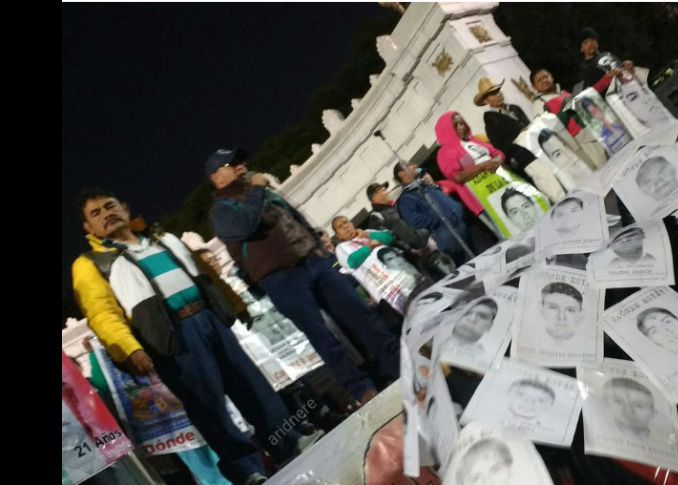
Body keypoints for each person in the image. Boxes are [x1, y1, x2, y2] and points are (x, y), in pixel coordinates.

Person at [71, 189, 322, 485]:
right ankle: (246, 471)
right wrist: (129, 348)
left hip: (207, 318)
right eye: (96, 214)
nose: (106, 214)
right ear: (89, 229)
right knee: (208, 408)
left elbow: (204, 274)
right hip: (171, 340)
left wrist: (233, 304)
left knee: (252, 385)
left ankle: (288, 442)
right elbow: (102, 313)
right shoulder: (90, 264)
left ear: (125, 208)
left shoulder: (164, 239)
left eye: (110, 206)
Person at [206, 148, 400, 407]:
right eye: (232, 163)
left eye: (241, 160)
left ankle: (398, 361)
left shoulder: (262, 192)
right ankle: (361, 389)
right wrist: (255, 191)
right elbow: (244, 226)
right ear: (217, 177)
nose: (241, 165)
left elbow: (294, 218)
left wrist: (317, 248)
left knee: (361, 314)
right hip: (279, 279)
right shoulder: (221, 211)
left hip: (312, 261)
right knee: (322, 337)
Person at [394, 161, 474, 266]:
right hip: (446, 235)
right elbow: (415, 220)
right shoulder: (405, 199)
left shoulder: (424, 186)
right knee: (467, 265)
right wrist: (440, 219)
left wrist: (434, 186)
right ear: (402, 174)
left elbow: (443, 200)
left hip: (461, 226)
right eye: (409, 165)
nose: (415, 165)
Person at [473, 76, 537, 183]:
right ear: (486, 100)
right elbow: (500, 148)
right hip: (525, 159)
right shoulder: (491, 121)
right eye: (493, 93)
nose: (499, 94)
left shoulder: (514, 108)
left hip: (538, 145)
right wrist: (519, 140)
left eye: (498, 91)